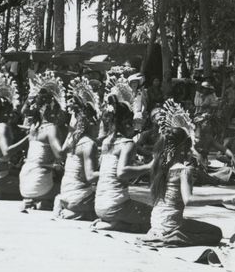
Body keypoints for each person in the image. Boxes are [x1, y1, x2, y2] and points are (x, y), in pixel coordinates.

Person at [142, 101, 223, 247]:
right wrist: (222, 199)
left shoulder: (159, 165)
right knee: (216, 233)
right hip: (170, 225)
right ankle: (173, 237)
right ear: (185, 147)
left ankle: (165, 235)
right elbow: (189, 200)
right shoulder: (183, 170)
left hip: (155, 222)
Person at [93, 94, 152, 232]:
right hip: (115, 205)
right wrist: (149, 167)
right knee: (156, 217)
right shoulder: (127, 144)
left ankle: (111, 221)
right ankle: (116, 224)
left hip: (99, 206)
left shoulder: (107, 141)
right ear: (127, 123)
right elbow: (122, 172)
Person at [54, 80, 101, 220]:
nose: (98, 127)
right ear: (91, 124)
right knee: (106, 198)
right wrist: (111, 171)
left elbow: (61, 153)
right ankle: (76, 211)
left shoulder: (72, 139)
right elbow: (91, 176)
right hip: (77, 196)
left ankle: (73, 210)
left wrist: (71, 130)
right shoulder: (89, 144)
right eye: (97, 124)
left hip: (65, 193)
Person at [19, 76, 66, 211]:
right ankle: (43, 199)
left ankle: (36, 199)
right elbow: (60, 155)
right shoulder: (51, 128)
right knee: (71, 188)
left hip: (25, 182)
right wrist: (72, 139)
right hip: (38, 181)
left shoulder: (34, 126)